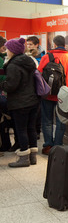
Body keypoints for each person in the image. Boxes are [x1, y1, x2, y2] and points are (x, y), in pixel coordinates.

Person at [0, 38, 40, 167]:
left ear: (13, 51)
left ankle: (24, 158)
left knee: (21, 129)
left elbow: (12, 85)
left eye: (7, 49)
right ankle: (33, 156)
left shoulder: (13, 65)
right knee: (31, 128)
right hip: (33, 100)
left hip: (20, 102)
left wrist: (3, 84)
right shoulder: (29, 62)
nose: (6, 52)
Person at [38, 35, 68, 155]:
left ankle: (48, 146)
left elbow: (40, 75)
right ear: (65, 45)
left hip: (48, 94)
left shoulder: (46, 57)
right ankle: (57, 146)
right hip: (65, 96)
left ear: (54, 44)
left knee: (47, 120)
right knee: (62, 121)